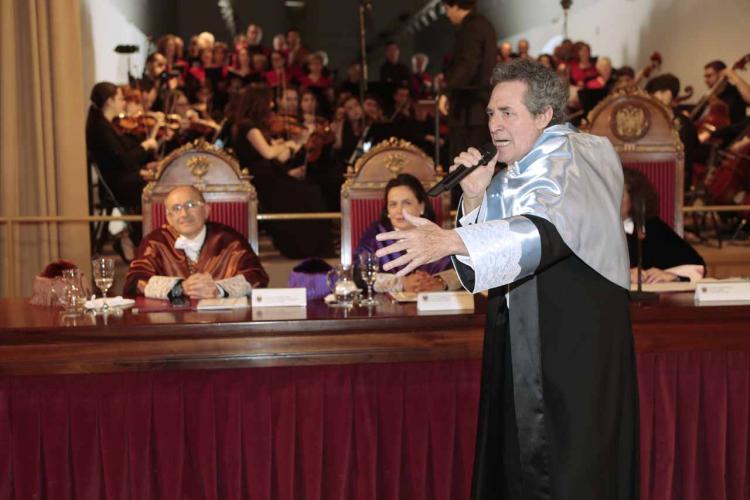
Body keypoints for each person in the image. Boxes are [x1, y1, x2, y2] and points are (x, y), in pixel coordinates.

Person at [375, 59, 638, 499]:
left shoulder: (578, 156)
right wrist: (477, 193)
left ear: (544, 115)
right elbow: (491, 266)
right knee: (517, 463)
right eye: (491, 113)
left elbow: (542, 233)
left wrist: (450, 242)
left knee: (571, 469)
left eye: (507, 113)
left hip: (572, 349)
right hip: (523, 341)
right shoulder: (519, 167)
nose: (495, 125)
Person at [123, 185, 269, 298]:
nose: (184, 214)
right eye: (176, 208)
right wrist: (180, 288)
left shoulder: (230, 240)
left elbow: (257, 277)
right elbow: (135, 281)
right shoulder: (154, 243)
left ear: (206, 210)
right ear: (168, 218)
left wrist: (218, 290)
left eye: (191, 205)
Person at [355, 174, 460, 293]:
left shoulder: (437, 235)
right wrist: (401, 283)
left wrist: (439, 282)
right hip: (390, 308)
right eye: (393, 204)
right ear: (388, 211)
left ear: (421, 206)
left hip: (434, 305)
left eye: (406, 203)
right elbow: (359, 276)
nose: (399, 210)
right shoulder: (376, 236)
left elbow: (464, 269)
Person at [439, 0, 497, 203]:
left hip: (468, 110)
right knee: (478, 168)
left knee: (463, 169)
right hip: (480, 108)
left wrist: (446, 91)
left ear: (455, 5)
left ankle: (463, 219)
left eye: (446, 8)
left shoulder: (470, 27)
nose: (447, 14)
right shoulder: (486, 25)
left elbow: (468, 64)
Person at [622, 168, 705, 283]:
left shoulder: (652, 227)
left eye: (618, 193)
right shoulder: (591, 229)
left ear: (635, 198)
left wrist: (673, 276)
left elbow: (696, 266)